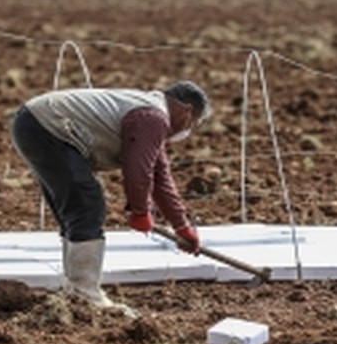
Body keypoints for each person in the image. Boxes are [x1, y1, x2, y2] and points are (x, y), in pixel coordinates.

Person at [11, 81, 210, 313]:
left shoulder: (150, 114)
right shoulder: (153, 118)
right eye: (193, 123)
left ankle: (76, 292)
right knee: (86, 204)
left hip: (34, 123)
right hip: (49, 127)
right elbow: (138, 171)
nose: (188, 130)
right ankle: (85, 294)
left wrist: (181, 226)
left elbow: (160, 177)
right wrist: (140, 211)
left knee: (77, 208)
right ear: (187, 111)